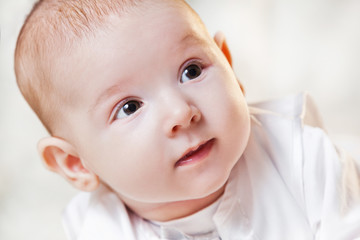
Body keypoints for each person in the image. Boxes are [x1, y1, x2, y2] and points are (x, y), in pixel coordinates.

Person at [14, 0, 360, 239]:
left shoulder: (300, 155)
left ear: (228, 65)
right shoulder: (99, 229)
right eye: (130, 107)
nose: (181, 113)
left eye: (191, 70)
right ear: (77, 163)